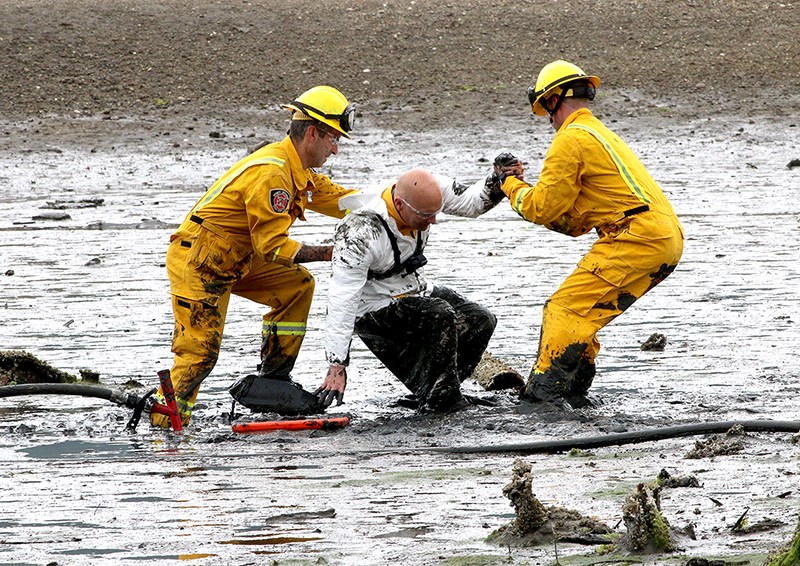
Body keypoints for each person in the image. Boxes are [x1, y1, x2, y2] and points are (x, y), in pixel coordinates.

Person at [151, 86, 359, 428]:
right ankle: (165, 430)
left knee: (297, 286)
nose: (335, 149)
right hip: (200, 260)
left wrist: (400, 200)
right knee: (199, 353)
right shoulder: (273, 173)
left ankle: (272, 382)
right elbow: (274, 248)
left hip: (235, 258)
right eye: (333, 139)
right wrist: (331, 254)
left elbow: (343, 200)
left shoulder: (298, 170)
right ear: (311, 133)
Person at [496, 60, 684, 409]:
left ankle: (544, 397)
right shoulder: (599, 134)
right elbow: (575, 222)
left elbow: (542, 208)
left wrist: (510, 185)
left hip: (636, 236)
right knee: (586, 313)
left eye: (545, 110)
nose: (548, 121)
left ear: (553, 99)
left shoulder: (570, 140)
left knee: (564, 309)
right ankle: (574, 391)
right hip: (663, 238)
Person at [314, 168, 513, 412]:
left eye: (435, 214)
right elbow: (341, 300)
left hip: (411, 287)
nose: (433, 222)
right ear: (399, 204)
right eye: (426, 216)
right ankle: (442, 399)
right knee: (439, 313)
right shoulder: (359, 233)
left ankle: (438, 392)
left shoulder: (428, 189)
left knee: (481, 319)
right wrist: (337, 365)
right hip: (371, 307)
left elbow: (471, 203)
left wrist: (498, 180)